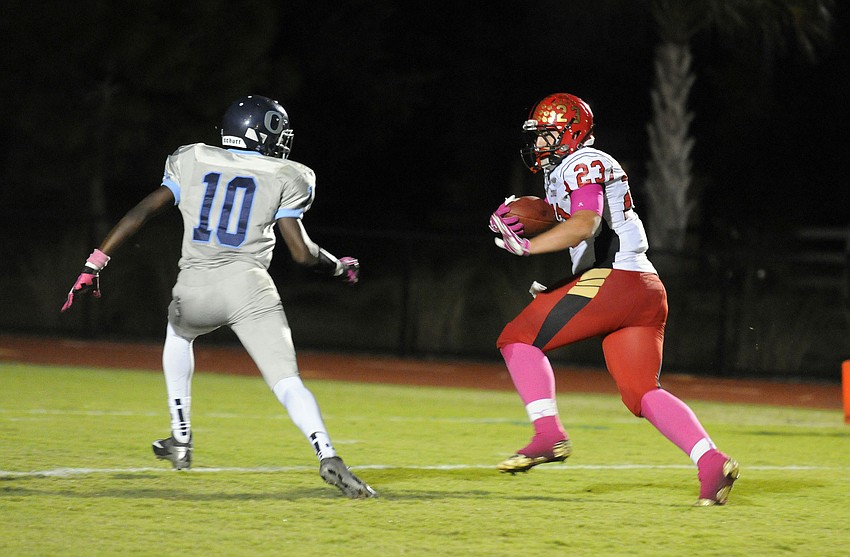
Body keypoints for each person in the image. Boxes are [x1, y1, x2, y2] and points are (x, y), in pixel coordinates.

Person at [61, 95, 376, 498]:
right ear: (264, 132)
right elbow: (301, 252)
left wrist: (94, 263)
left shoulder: (191, 158)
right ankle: (327, 454)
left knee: (178, 335)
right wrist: (337, 265)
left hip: (194, 286)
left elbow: (141, 212)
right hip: (248, 288)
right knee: (286, 381)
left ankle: (181, 439)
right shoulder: (289, 174)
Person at [488, 92, 738, 506]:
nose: (539, 145)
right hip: (644, 287)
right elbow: (587, 232)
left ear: (572, 134)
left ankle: (548, 433)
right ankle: (711, 462)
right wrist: (558, 278)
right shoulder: (565, 173)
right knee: (641, 393)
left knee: (517, 338)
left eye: (547, 136)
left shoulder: (581, 163)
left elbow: (586, 225)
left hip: (616, 280)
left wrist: (528, 248)